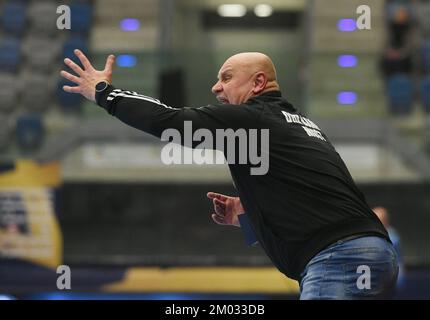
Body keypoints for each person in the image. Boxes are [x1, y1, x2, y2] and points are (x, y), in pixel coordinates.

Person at [61, 49, 399, 299]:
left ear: (258, 83)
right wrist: (248, 213)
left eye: (226, 78)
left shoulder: (252, 119)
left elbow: (170, 123)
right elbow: (312, 196)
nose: (215, 88)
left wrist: (105, 93)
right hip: (373, 255)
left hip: (337, 257)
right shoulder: (300, 124)